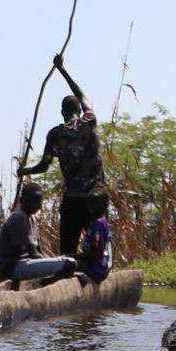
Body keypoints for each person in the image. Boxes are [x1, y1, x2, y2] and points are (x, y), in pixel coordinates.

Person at [17, 54, 108, 260]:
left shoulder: (55, 134)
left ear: (62, 112)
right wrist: (62, 69)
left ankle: (68, 274)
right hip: (96, 198)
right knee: (99, 247)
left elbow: (44, 166)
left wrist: (25, 171)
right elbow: (81, 94)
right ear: (78, 109)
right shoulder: (89, 122)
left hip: (73, 200)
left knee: (67, 250)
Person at [0, 183, 77, 287]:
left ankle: (44, 282)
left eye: (39, 201)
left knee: (67, 262)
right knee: (70, 263)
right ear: (22, 200)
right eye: (34, 201)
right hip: (13, 268)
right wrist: (58, 263)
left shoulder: (32, 219)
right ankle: (43, 283)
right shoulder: (19, 217)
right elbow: (33, 253)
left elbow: (39, 251)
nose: (38, 206)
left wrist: (55, 260)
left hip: (24, 264)